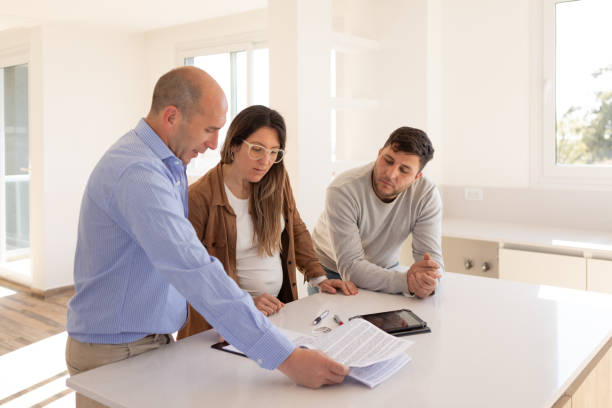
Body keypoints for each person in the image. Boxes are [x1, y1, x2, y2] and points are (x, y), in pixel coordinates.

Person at [66, 67, 348, 407]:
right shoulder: (140, 173)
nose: (215, 143)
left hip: (147, 343)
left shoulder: (166, 165)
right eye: (210, 129)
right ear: (172, 117)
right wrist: (286, 358)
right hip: (116, 353)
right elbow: (194, 267)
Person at [177, 105, 357, 339]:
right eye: (257, 149)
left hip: (277, 311)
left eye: (274, 152)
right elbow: (191, 272)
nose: (266, 161)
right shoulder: (199, 197)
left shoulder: (276, 181)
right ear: (234, 146)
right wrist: (244, 302)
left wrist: (319, 278)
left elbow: (295, 228)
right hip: (224, 322)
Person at [311, 126, 443, 298]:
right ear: (379, 153)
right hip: (333, 272)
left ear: (417, 177)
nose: (390, 174)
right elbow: (351, 267)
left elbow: (431, 260)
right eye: (387, 160)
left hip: (386, 268)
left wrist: (429, 283)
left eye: (404, 170)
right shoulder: (343, 189)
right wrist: (407, 282)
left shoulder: (426, 194)